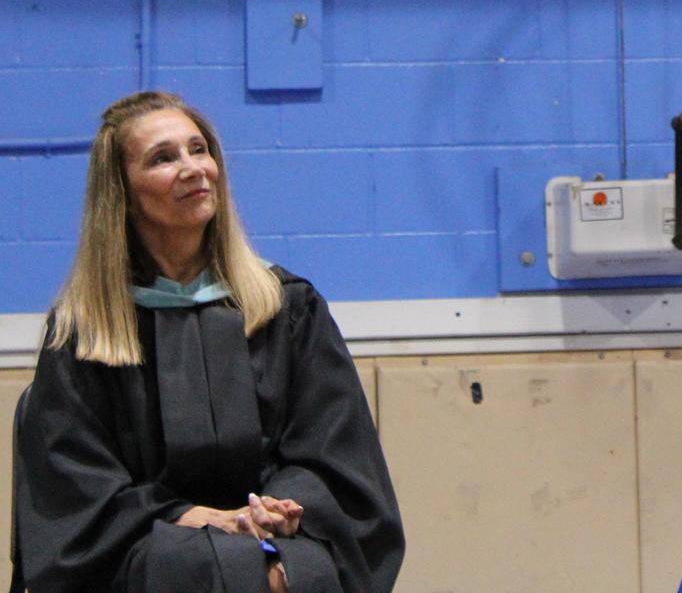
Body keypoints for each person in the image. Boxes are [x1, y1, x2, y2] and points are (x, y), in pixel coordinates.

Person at [14, 91, 404, 593]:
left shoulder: (286, 309)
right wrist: (198, 518)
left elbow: (336, 456)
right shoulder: (85, 332)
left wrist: (274, 512)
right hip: (147, 546)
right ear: (123, 193)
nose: (194, 168)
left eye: (199, 149)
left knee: (291, 573)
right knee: (207, 572)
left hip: (283, 537)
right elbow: (75, 495)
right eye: (163, 157)